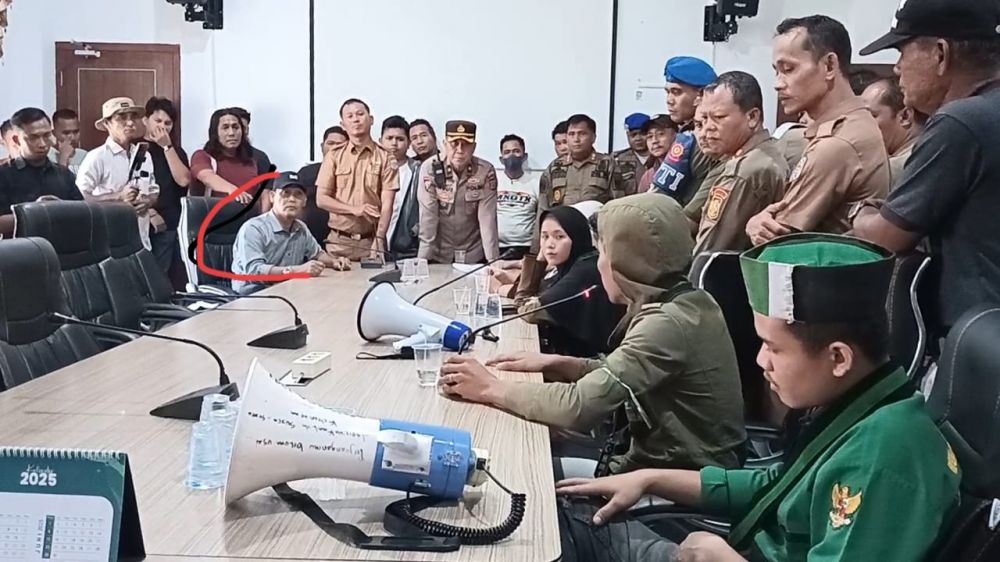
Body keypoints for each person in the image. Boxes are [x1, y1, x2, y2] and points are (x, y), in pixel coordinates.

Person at [553, 233, 961, 562]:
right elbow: (780, 486)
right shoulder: (861, 406)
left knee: (559, 526)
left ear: (838, 358)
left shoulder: (885, 459)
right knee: (563, 510)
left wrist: (721, 557)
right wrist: (650, 478)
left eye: (774, 347)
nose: (761, 360)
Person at [441, 193, 746, 477]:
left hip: (675, 478)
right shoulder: (684, 301)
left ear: (628, 261)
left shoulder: (666, 323)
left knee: (517, 470)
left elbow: (578, 407)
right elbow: (619, 368)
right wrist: (556, 363)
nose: (599, 263)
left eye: (604, 252)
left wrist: (490, 388)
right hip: (667, 464)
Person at [853, 0, 1000, 341]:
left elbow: (887, 238)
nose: (897, 68)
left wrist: (861, 214)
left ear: (940, 53)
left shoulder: (961, 122)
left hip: (978, 341)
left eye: (902, 52)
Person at [746, 15, 890, 246]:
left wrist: (754, 224)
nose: (778, 83)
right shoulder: (856, 121)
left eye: (788, 69)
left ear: (829, 66)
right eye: (776, 72)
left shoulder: (836, 144)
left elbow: (775, 239)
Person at [515, 114, 623, 302]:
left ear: (593, 137)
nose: (576, 139)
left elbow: (619, 207)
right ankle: (525, 296)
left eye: (582, 134)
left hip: (593, 245)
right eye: (572, 134)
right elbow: (543, 211)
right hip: (559, 241)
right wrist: (537, 247)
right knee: (548, 291)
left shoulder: (608, 165)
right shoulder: (555, 168)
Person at [694, 71, 789, 255]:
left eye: (719, 117)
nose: (708, 128)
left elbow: (709, 252)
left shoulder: (744, 171)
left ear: (752, 117)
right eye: (704, 119)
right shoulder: (767, 151)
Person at [517, 204, 624, 357]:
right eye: (545, 236)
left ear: (576, 237)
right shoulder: (575, 263)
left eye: (559, 237)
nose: (549, 245)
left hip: (595, 362)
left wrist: (539, 261)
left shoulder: (585, 271)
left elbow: (528, 311)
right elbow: (536, 294)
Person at [231, 172, 347, 295]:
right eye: (285, 193)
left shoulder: (301, 228)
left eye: (298, 194)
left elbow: (317, 254)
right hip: (252, 296)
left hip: (287, 290)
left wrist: (334, 261)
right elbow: (254, 272)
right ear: (272, 197)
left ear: (304, 201)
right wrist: (296, 271)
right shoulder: (254, 228)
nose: (292, 199)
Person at [316, 98, 398, 262]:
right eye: (350, 116)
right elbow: (321, 199)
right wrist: (354, 209)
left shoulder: (385, 157)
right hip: (338, 244)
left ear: (371, 119)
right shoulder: (334, 155)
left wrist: (379, 238)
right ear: (343, 124)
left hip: (371, 242)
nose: (355, 119)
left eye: (360, 114)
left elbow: (387, 204)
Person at [76, 97, 159, 250]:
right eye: (121, 118)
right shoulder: (97, 157)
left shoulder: (145, 155)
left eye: (133, 117)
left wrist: (147, 202)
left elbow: (153, 191)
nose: (130, 123)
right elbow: (79, 199)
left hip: (142, 240)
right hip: (109, 243)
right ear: (107, 123)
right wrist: (118, 197)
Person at [417, 120, 499, 263]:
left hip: (472, 254)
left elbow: (487, 220)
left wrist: (493, 261)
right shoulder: (430, 168)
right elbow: (428, 216)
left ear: (474, 147)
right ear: (445, 144)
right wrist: (422, 261)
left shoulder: (485, 171)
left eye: (466, 144)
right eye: (454, 143)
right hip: (438, 253)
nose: (460, 150)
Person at [651, 56, 720, 224]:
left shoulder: (696, 137)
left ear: (701, 95)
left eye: (677, 92)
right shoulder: (689, 132)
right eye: (667, 92)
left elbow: (659, 195)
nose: (669, 100)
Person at [0, 108, 82, 238]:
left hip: (62, 245)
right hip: (21, 246)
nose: (43, 144)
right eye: (33, 138)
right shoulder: (4, 174)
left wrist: (61, 208)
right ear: (17, 140)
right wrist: (34, 212)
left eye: (46, 135)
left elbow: (83, 212)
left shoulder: (63, 174)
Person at [142, 97, 191, 284]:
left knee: (164, 277)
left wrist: (166, 146)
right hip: (142, 219)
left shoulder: (176, 151)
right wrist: (150, 211)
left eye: (168, 123)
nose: (162, 126)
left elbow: (183, 180)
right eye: (158, 121)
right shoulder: (136, 148)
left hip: (170, 223)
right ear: (145, 120)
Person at [190, 108, 259, 207]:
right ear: (215, 132)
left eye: (235, 127)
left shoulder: (250, 162)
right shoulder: (202, 156)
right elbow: (207, 177)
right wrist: (233, 190)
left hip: (247, 215)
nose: (231, 133)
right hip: (214, 215)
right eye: (225, 127)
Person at [860, 77, 919, 189]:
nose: (861, 124)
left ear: (905, 117)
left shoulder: (894, 169)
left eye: (870, 115)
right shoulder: (927, 148)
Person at [297, 125, 348, 245]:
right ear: (322, 146)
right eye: (330, 143)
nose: (334, 148)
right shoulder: (306, 172)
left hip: (342, 239)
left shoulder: (354, 174)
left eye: (340, 144)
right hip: (308, 237)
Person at [381, 116, 421, 259]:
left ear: (409, 143)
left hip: (407, 248)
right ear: (380, 141)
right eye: (389, 138)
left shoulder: (418, 171)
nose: (394, 143)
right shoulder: (370, 169)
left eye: (400, 139)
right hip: (373, 244)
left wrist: (414, 231)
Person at [496, 133, 540, 259]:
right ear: (501, 159)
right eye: (507, 152)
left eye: (516, 151)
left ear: (524, 156)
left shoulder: (536, 183)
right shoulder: (493, 182)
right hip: (497, 247)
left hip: (526, 247)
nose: (512, 155)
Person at [612, 113, 653, 196]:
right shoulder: (616, 161)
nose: (638, 139)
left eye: (643, 133)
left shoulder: (662, 158)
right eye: (633, 135)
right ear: (627, 135)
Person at [637, 114, 678, 192]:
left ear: (675, 135)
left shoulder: (691, 164)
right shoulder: (648, 176)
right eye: (650, 136)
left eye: (661, 134)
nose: (654, 141)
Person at [231, 107, 274, 179]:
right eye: (235, 127)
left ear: (247, 130)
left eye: (243, 128)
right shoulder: (213, 157)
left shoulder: (260, 158)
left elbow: (267, 185)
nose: (239, 132)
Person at [48, 108, 88, 173]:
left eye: (76, 132)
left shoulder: (85, 155)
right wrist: (63, 159)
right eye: (66, 133)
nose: (72, 137)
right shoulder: (46, 156)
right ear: (54, 133)